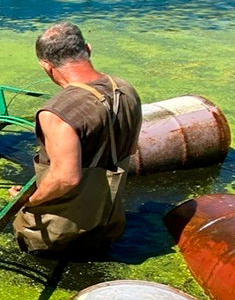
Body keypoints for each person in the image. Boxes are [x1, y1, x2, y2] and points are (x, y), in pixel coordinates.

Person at [10, 22, 142, 257]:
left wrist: (29, 200)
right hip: (109, 221)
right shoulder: (125, 89)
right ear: (88, 49)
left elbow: (66, 178)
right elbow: (129, 149)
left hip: (61, 235)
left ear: (47, 67)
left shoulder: (56, 112)